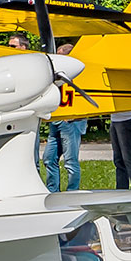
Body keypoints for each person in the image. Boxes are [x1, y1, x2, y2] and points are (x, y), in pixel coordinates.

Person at [42, 41, 86, 193]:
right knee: (49, 158)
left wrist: (75, 114)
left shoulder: (79, 74)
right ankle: (52, 191)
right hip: (57, 119)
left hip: (72, 121)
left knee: (70, 161)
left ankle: (72, 192)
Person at [109, 106, 131, 190]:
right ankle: (121, 189)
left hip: (127, 118)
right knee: (118, 159)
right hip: (115, 119)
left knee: (128, 157)